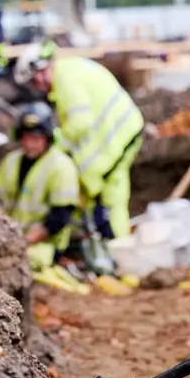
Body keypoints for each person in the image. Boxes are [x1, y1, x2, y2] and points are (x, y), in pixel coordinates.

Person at [13, 40, 144, 240]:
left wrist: (56, 144)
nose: (37, 87)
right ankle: (113, 241)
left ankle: (117, 245)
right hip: (122, 133)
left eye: (34, 81)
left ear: (41, 70)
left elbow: (80, 122)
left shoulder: (65, 79)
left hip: (117, 138)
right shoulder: (69, 71)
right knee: (110, 195)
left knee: (110, 201)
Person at [0, 101, 81, 271]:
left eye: (35, 139)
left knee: (11, 266)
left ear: (47, 138)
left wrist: (24, 242)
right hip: (10, 238)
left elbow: (59, 217)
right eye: (25, 138)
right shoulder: (11, 161)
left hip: (43, 246)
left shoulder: (61, 166)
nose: (29, 144)